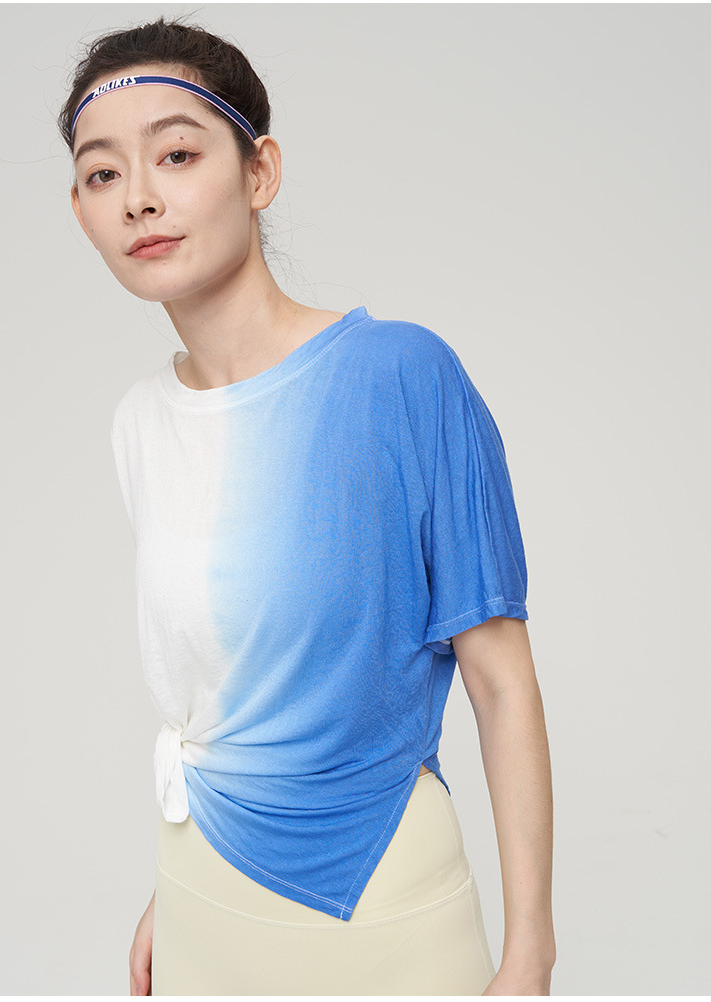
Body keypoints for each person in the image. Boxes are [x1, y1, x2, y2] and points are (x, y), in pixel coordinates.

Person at [59, 17, 555, 996]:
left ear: (259, 172)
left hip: (376, 897)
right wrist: (177, 885)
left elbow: (501, 684)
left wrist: (530, 951)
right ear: (80, 208)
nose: (140, 196)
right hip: (201, 896)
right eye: (102, 173)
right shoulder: (140, 423)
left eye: (177, 154)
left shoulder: (400, 376)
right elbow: (221, 701)